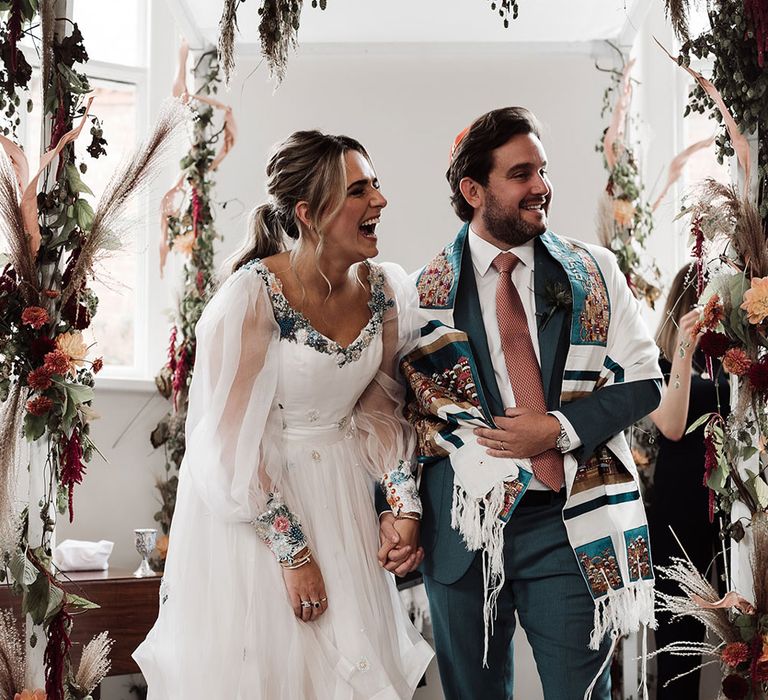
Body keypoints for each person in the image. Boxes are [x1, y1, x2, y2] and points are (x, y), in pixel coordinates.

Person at [134, 130, 433, 699]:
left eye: (377, 185)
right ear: (309, 213)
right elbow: (226, 444)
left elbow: (380, 407)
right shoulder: (252, 298)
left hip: (343, 500)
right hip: (265, 512)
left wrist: (403, 503)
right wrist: (293, 553)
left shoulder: (387, 290)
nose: (380, 201)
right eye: (359, 190)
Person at [384, 107, 662, 699]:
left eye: (543, 169)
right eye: (521, 174)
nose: (541, 186)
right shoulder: (417, 295)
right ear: (473, 190)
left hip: (567, 522)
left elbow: (645, 381)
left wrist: (556, 429)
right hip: (461, 531)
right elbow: (400, 420)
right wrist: (400, 508)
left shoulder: (596, 272)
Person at [648, 265, 728, 698]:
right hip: (681, 513)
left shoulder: (734, 360)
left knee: (747, 641)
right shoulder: (659, 359)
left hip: (732, 512)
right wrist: (684, 346)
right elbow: (672, 426)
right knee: (680, 654)